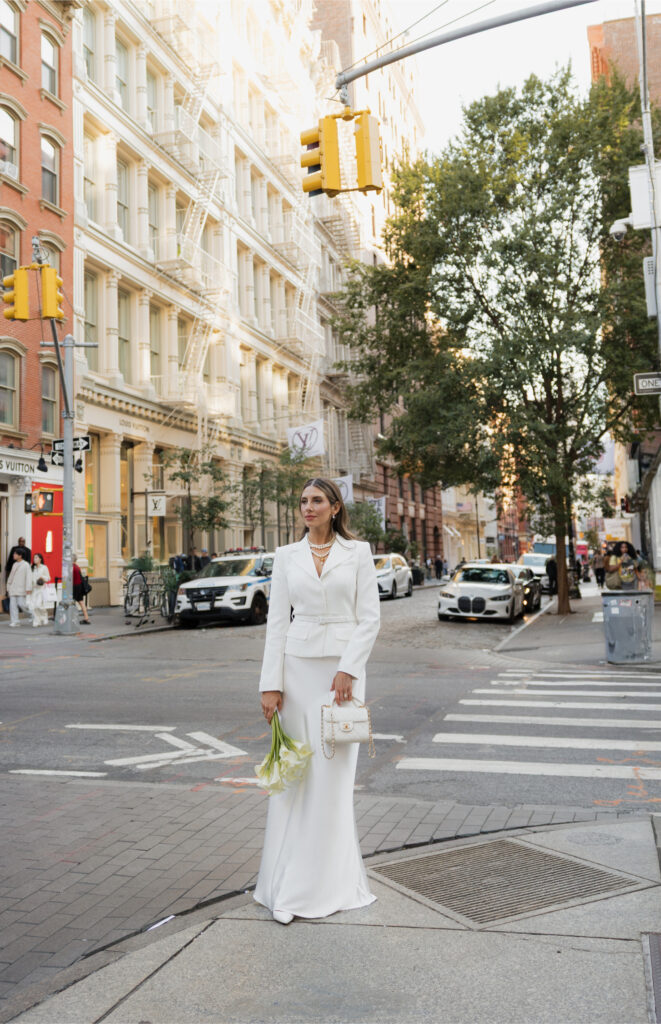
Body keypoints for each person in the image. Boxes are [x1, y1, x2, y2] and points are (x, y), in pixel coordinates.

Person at [256, 477, 380, 926]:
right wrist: (270, 684)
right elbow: (276, 625)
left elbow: (369, 618)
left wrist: (349, 668)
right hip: (298, 672)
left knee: (332, 780)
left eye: (316, 501)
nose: (308, 507)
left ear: (334, 507)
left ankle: (330, 885)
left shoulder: (358, 553)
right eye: (303, 501)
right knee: (297, 777)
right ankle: (285, 886)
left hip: (343, 679)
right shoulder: (286, 556)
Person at [7, 550, 32, 626]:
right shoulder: (14, 564)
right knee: (12, 606)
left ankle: (32, 615)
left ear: (20, 555)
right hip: (13, 588)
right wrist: (8, 586)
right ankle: (15, 621)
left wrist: (28, 588)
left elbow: (29, 577)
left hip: (21, 588)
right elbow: (11, 576)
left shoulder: (26, 565)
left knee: (22, 605)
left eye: (15, 554)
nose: (13, 555)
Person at [29, 554, 51, 627]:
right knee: (33, 606)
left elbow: (48, 578)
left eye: (36, 557)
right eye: (34, 557)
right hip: (33, 589)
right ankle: (36, 620)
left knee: (38, 605)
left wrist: (42, 577)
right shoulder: (32, 568)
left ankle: (44, 616)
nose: (34, 559)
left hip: (41, 589)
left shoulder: (44, 567)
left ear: (40, 559)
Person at [72, 555, 91, 624]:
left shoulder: (72, 567)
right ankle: (86, 618)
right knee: (81, 602)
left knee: (72, 602)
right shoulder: (77, 567)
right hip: (79, 586)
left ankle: (73, 618)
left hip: (75, 587)